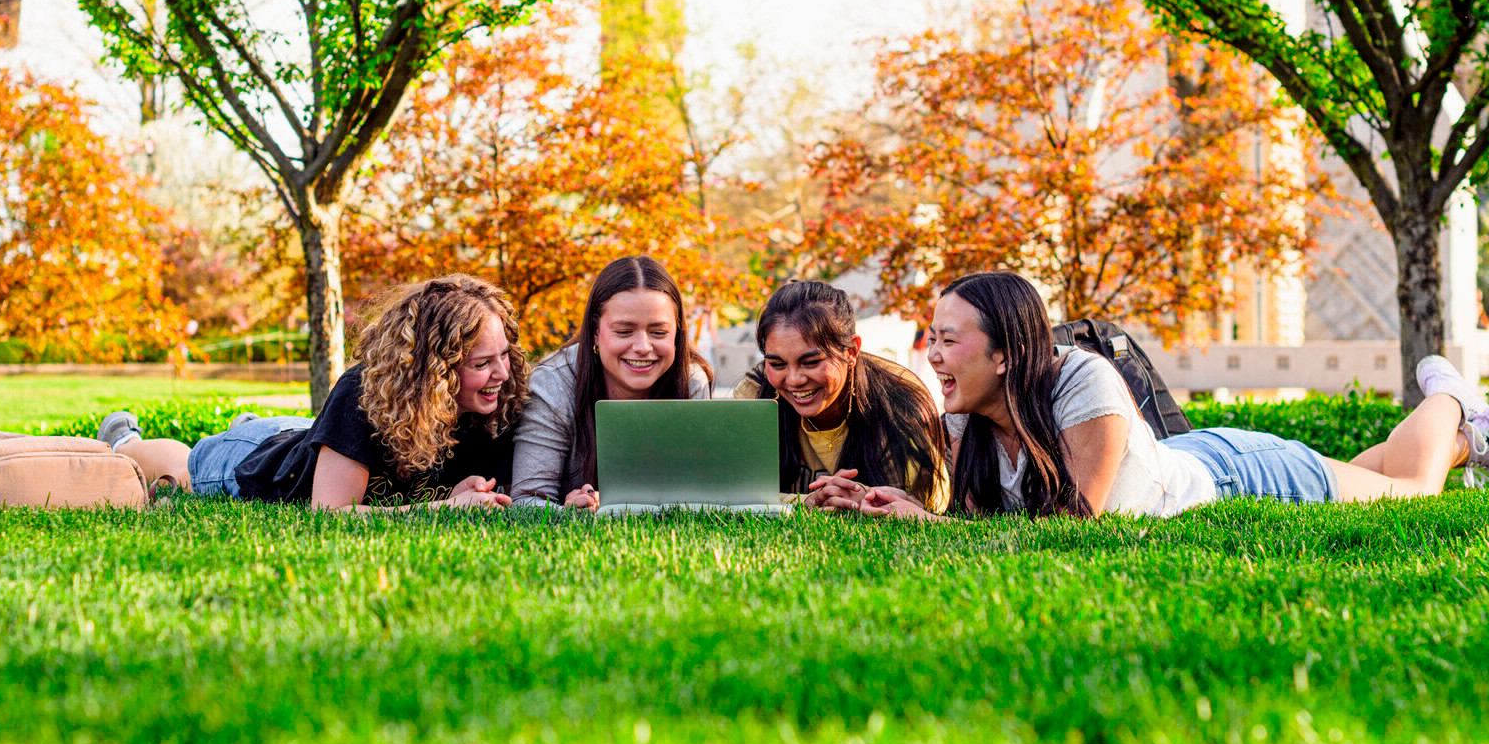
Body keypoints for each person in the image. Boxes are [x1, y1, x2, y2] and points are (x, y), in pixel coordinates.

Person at [850, 272, 1489, 521]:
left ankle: (1461, 413)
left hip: (1244, 475)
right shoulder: (968, 419)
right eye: (930, 340)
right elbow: (987, 529)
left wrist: (926, 526)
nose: (932, 355)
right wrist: (908, 507)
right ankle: (1483, 436)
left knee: (1409, 490)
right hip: (1200, 456)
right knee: (1371, 475)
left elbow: (1072, 526)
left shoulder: (1081, 380)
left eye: (948, 340)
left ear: (1004, 353)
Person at [95, 275, 529, 511]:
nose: (501, 373)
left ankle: (254, 427)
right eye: (481, 364)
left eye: (504, 356)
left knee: (300, 438)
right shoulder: (363, 395)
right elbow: (330, 515)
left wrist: (454, 495)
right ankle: (124, 437)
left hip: (311, 442)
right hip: (260, 464)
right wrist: (441, 511)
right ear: (434, 369)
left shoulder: (487, 408)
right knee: (187, 465)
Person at [509, 256, 714, 509]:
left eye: (659, 332)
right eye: (624, 331)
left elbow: (699, 496)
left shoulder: (691, 381)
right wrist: (566, 512)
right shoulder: (554, 382)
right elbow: (527, 500)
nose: (642, 347)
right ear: (595, 332)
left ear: (678, 333)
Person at [735, 280, 952, 513]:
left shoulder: (897, 399)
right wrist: (805, 502)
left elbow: (928, 502)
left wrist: (860, 497)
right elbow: (727, 488)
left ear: (851, 351)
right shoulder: (757, 390)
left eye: (811, 362)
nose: (794, 379)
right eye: (777, 364)